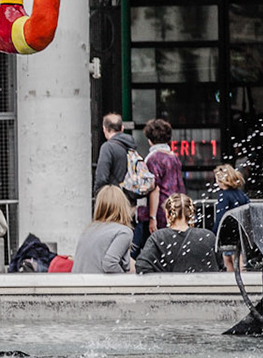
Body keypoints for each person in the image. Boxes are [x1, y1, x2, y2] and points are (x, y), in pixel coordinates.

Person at [135, 194, 220, 273]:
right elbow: (220, 267)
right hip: (203, 284)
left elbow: (142, 266)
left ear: (167, 214)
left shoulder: (158, 238)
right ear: (191, 214)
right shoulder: (207, 237)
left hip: (168, 284)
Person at [136, 117, 184, 253]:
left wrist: (152, 217)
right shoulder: (173, 157)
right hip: (175, 208)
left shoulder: (153, 158)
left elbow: (154, 188)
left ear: (150, 139)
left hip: (160, 211)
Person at [73, 185, 137, 274]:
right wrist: (125, 279)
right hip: (99, 282)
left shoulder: (88, 230)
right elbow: (110, 263)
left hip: (78, 281)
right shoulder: (123, 232)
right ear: (124, 206)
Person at [92, 113, 134, 195]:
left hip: (114, 197)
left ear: (104, 129)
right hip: (130, 197)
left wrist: (98, 194)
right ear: (122, 128)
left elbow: (102, 177)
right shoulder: (131, 146)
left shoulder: (108, 147)